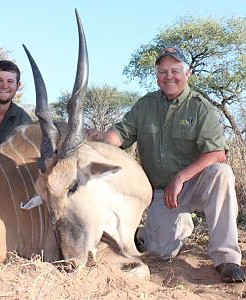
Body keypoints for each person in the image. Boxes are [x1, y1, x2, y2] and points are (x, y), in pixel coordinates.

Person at [88, 47, 245, 283]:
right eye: (162, 71)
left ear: (187, 73)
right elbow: (119, 136)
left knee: (221, 173)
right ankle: (160, 230)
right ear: (156, 75)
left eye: (175, 70)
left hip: (194, 184)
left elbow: (217, 153)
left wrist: (181, 178)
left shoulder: (200, 107)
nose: (168, 76)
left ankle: (227, 259)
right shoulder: (145, 105)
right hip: (163, 193)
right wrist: (99, 138)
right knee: (161, 252)